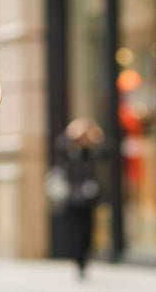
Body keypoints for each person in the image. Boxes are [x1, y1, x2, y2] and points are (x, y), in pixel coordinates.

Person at [54, 117, 106, 278]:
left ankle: (84, 258)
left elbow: (107, 150)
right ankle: (77, 259)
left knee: (87, 230)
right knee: (73, 230)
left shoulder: (91, 151)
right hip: (71, 197)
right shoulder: (69, 148)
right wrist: (72, 134)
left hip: (88, 198)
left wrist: (94, 135)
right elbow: (59, 145)